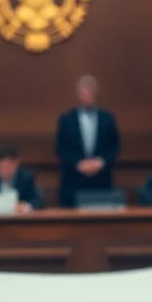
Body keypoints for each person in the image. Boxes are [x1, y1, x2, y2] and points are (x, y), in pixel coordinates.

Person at [54, 75, 121, 207]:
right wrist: (78, 164)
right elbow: (60, 148)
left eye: (88, 94)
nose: (85, 98)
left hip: (101, 180)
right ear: (77, 94)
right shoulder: (67, 119)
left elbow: (115, 147)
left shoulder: (107, 118)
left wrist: (101, 162)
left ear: (95, 94)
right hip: (73, 180)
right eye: (82, 94)